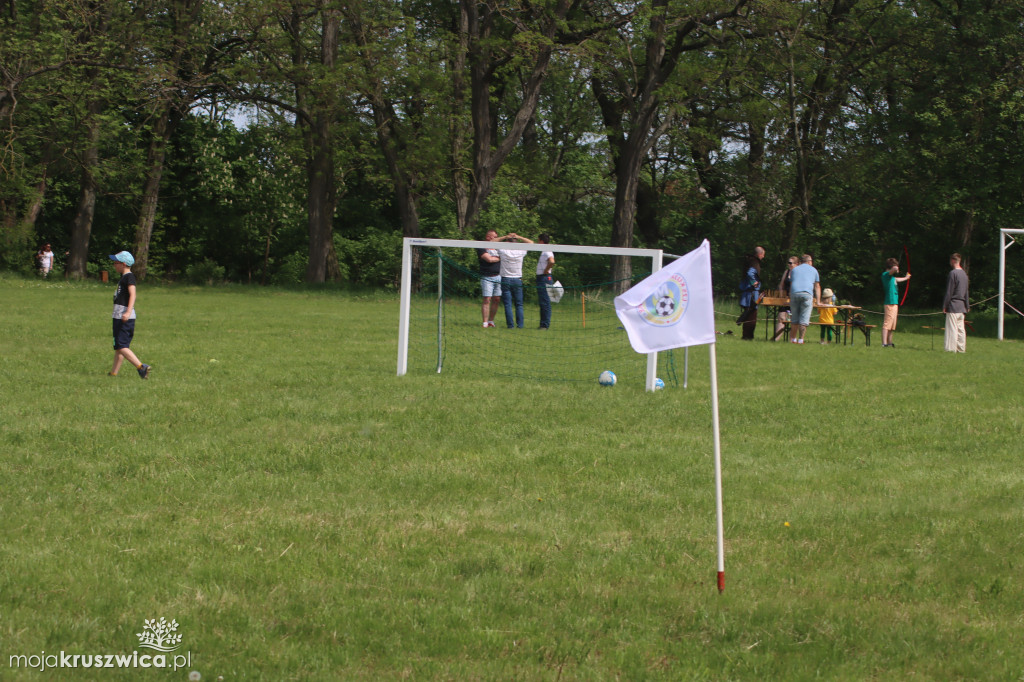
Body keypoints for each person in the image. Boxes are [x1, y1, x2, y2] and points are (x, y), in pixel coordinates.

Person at [107, 251, 151, 379]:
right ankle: (113, 373)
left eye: (116, 262)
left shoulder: (129, 277)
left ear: (124, 264)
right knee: (119, 346)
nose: (114, 265)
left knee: (121, 346)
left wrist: (127, 312)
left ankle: (141, 367)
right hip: (118, 316)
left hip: (124, 316)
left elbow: (133, 294)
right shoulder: (123, 277)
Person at [497, 232, 533, 329]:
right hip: (517, 279)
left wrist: (505, 237)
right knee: (519, 304)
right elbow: (531, 243)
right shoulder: (520, 250)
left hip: (505, 279)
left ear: (507, 241)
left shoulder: (503, 250)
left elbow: (491, 242)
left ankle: (510, 325)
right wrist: (519, 237)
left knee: (508, 304)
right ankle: (520, 325)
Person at [788, 254, 820, 344]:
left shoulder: (794, 270)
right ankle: (801, 340)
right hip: (806, 294)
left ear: (801, 262)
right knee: (803, 319)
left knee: (794, 319)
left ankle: (792, 340)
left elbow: (791, 285)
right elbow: (817, 286)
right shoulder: (814, 270)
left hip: (794, 294)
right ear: (809, 261)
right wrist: (818, 301)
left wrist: (790, 297)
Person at [880, 257, 911, 347]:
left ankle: (889, 342)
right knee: (887, 324)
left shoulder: (892, 278)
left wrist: (906, 278)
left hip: (894, 303)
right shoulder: (885, 275)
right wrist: (895, 268)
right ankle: (884, 343)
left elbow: (897, 279)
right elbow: (892, 271)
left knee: (892, 325)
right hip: (889, 303)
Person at [943, 253, 969, 353]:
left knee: (952, 329)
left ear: (953, 261)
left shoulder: (953, 273)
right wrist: (967, 305)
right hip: (962, 306)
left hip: (953, 305)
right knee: (961, 330)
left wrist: (945, 305)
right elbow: (966, 291)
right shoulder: (964, 274)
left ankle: (950, 349)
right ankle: (961, 348)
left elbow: (949, 291)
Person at [737, 246, 765, 340]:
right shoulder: (754, 262)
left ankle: (746, 336)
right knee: (751, 314)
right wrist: (754, 283)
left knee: (748, 313)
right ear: (760, 254)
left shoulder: (750, 261)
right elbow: (750, 273)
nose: (763, 257)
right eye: (763, 255)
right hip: (752, 294)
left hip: (748, 293)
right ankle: (748, 337)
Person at [477, 230, 501, 327]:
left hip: (499, 276)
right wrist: (500, 258)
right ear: (488, 237)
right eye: (493, 236)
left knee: (497, 299)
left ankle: (491, 321)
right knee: (487, 299)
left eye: (496, 236)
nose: (495, 238)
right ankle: (485, 322)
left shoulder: (498, 247)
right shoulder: (481, 246)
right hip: (487, 277)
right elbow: (489, 259)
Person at [773, 255, 798, 341]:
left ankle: (792, 340)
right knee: (781, 317)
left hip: (794, 299)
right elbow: (781, 284)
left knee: (793, 319)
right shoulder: (787, 272)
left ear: (796, 264)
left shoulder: (798, 273)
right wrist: (781, 295)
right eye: (788, 263)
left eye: (791, 263)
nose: (789, 264)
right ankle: (776, 339)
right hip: (785, 298)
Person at [535, 233, 555, 329]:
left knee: (545, 302)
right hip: (542, 278)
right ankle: (543, 323)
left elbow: (551, 261)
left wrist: (546, 270)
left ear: (541, 241)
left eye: (538, 241)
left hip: (544, 278)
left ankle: (544, 325)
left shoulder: (547, 251)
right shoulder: (545, 251)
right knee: (543, 301)